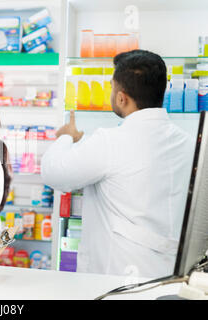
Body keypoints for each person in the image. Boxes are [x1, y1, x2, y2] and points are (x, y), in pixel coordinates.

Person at [41, 49, 194, 278]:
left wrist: (66, 136)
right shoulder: (188, 142)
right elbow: (129, 164)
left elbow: (54, 173)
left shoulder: (110, 142)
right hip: (170, 273)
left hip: (120, 277)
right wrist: (82, 140)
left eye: (112, 88)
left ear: (122, 97)